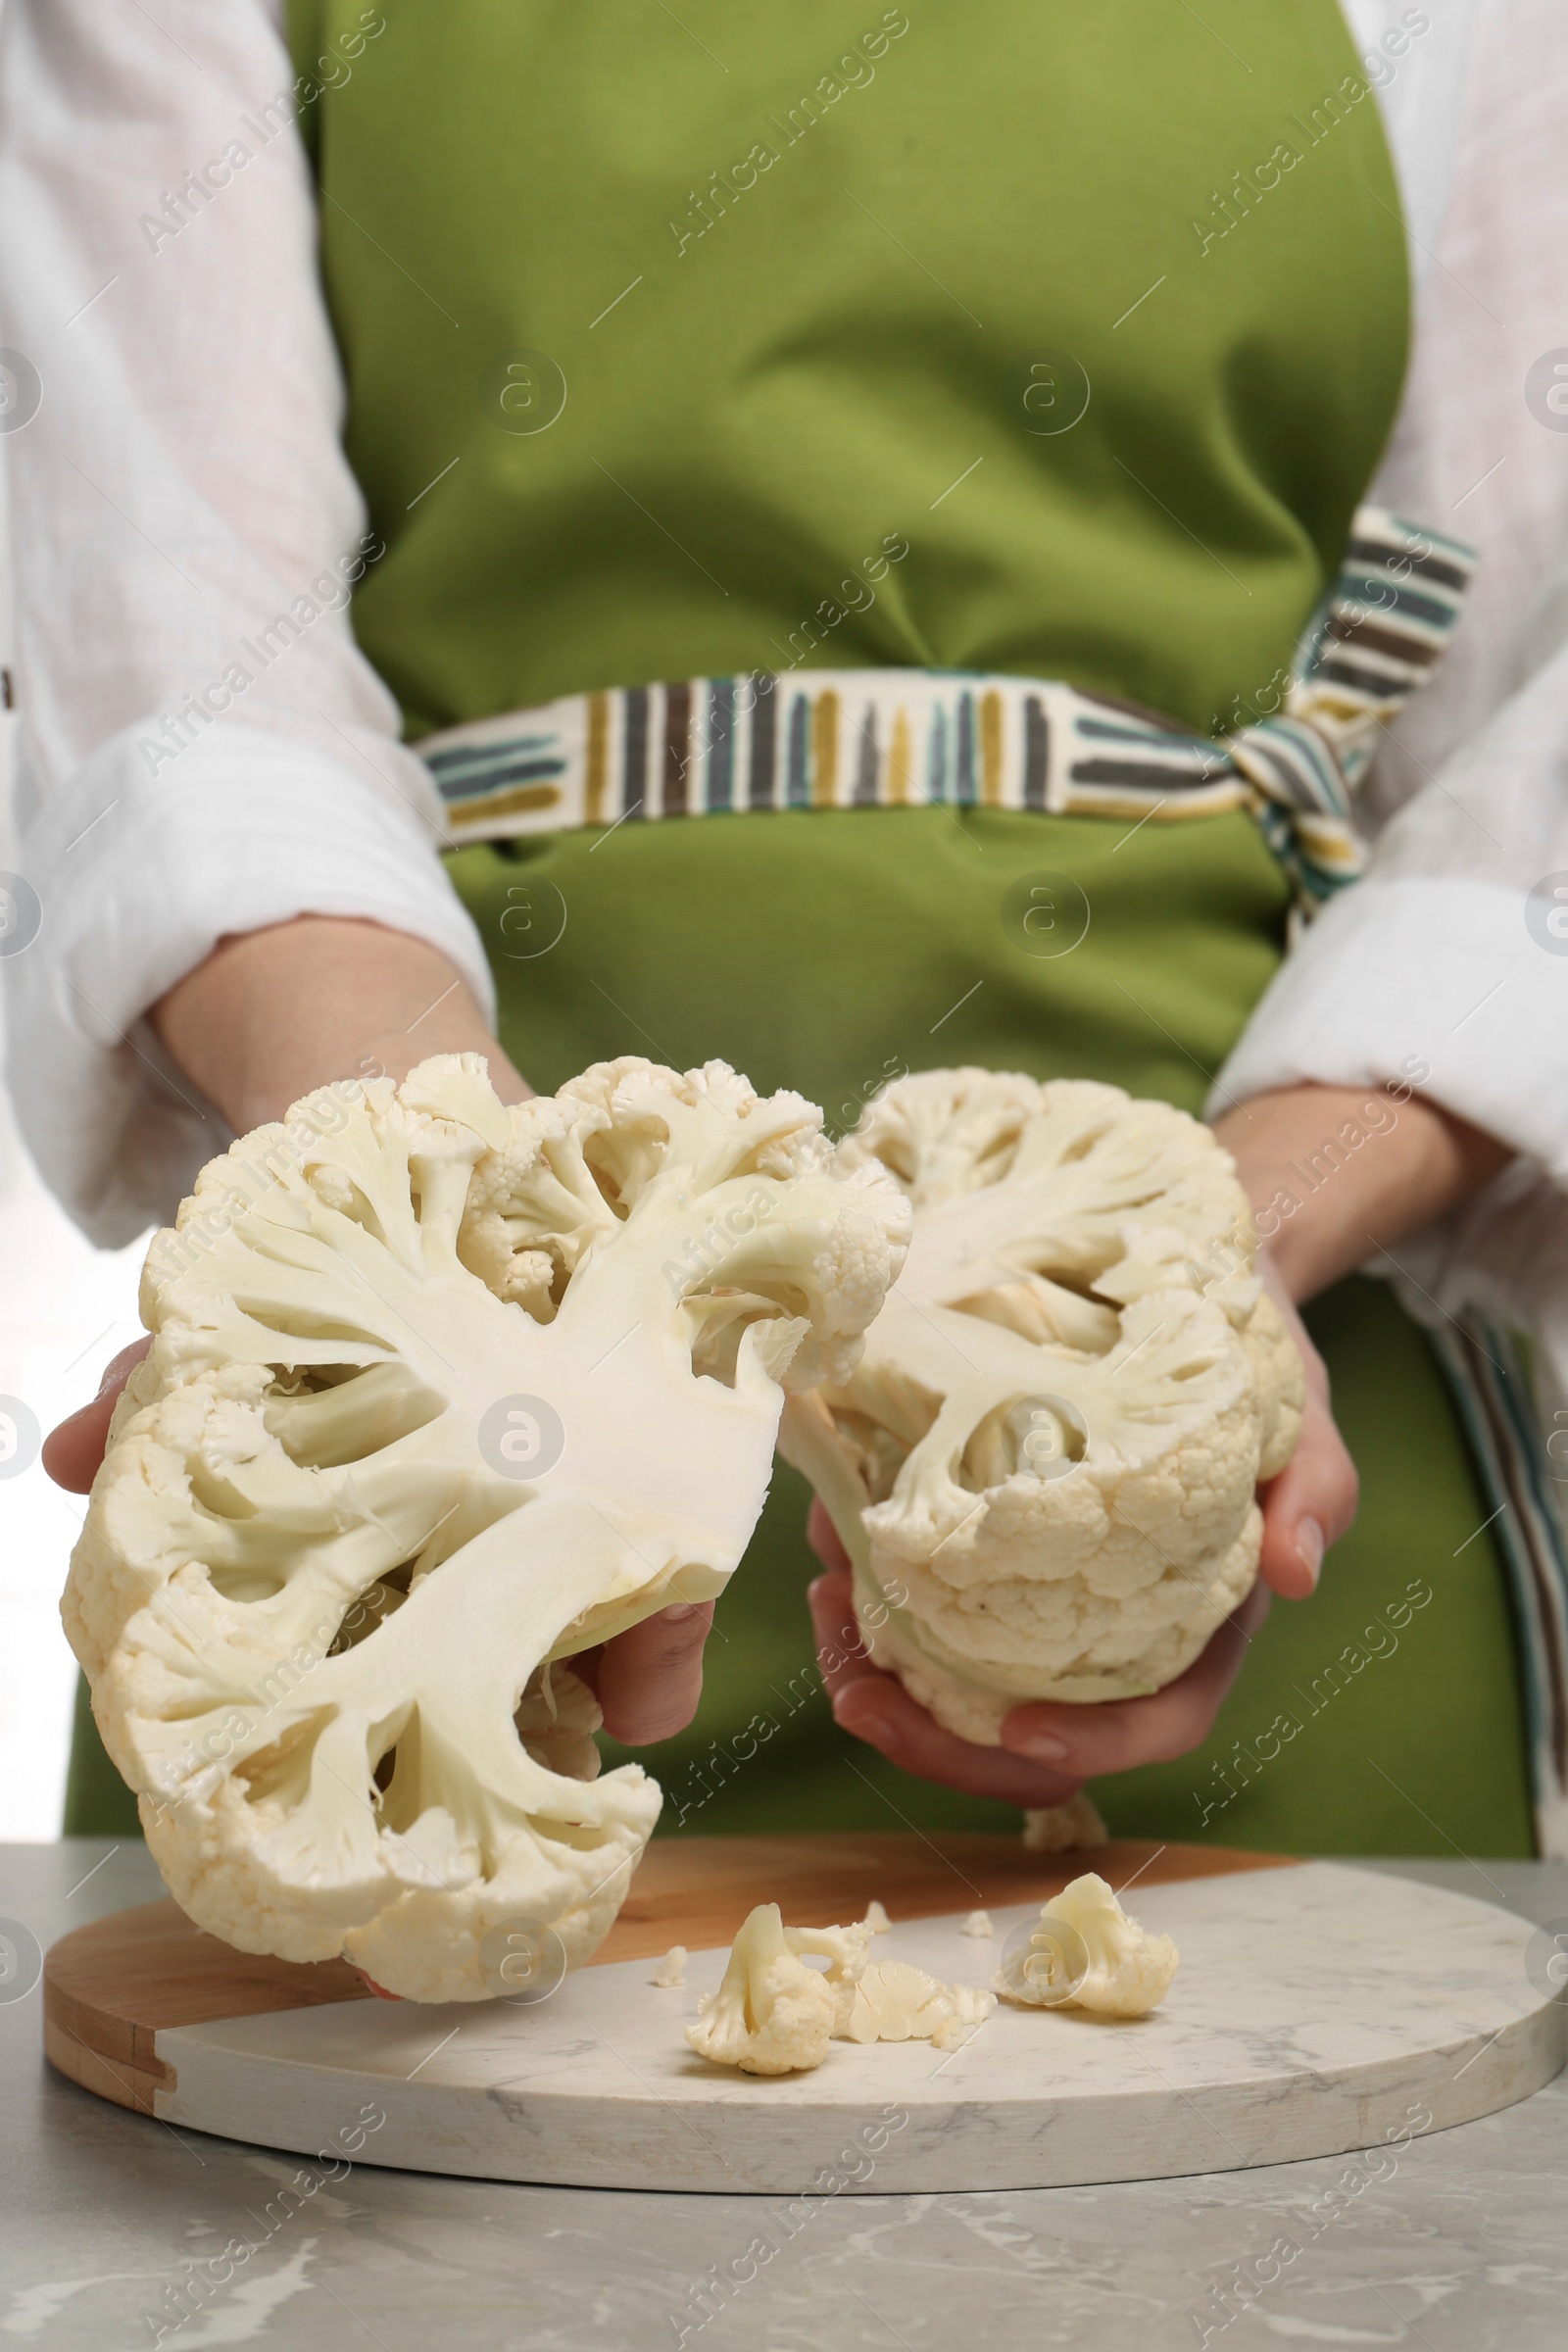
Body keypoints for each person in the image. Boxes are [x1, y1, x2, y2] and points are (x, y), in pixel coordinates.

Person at [7, 0, 1568, 1864]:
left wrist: (1195, 1287)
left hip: (1293, 1410)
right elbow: (172, 673)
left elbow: (1525, 765)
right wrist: (461, 1248)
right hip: (412, 1437)